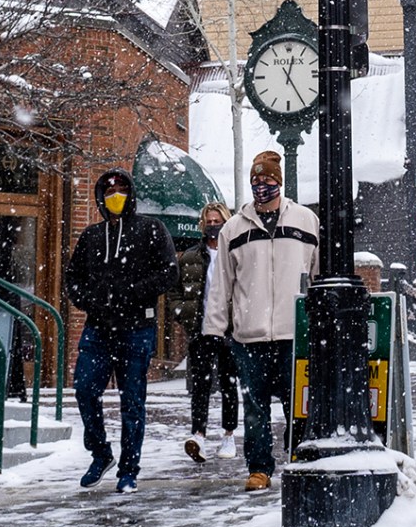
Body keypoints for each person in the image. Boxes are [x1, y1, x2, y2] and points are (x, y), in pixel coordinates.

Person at [203, 150, 320, 492]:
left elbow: (317, 274)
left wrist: (317, 322)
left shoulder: (304, 221)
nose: (262, 187)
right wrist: (213, 329)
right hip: (248, 335)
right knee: (254, 408)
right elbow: (221, 284)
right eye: (256, 182)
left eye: (268, 181)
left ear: (279, 184)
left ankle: (300, 460)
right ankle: (259, 467)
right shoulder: (233, 229)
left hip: (293, 333)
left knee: (297, 404)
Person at [65, 168, 179, 494]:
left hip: (136, 329)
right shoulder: (91, 236)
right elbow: (73, 279)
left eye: (121, 189)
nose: (115, 194)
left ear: (131, 194)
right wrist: (92, 301)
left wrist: (132, 292)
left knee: (132, 402)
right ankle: (101, 454)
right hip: (98, 329)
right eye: (109, 189)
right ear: (101, 197)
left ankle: (129, 469)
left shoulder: (151, 230)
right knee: (85, 389)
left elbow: (168, 273)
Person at [166, 201, 240, 463]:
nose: (212, 225)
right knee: (201, 384)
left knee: (230, 383)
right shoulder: (190, 257)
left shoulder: (235, 253)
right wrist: (182, 314)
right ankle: (198, 434)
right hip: (201, 328)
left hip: (230, 329)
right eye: (208, 221)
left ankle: (228, 434)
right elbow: (174, 290)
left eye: (216, 220)